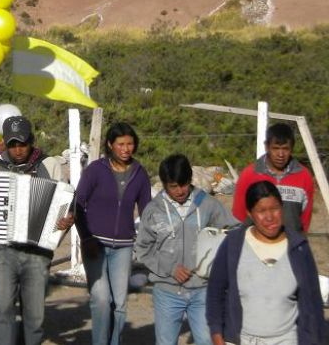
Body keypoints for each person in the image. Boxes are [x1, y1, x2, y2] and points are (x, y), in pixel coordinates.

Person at [0, 116, 67, 345]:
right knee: (2, 310)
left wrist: (65, 221)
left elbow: (64, 204)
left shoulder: (49, 165)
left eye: (22, 143)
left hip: (39, 253)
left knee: (35, 315)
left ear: (31, 140)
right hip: (3, 249)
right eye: (12, 144)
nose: (18, 149)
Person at [134, 154, 238, 345]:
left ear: (190, 180)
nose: (180, 191)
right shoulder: (153, 210)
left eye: (183, 184)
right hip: (167, 292)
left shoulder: (208, 204)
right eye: (173, 186)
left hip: (204, 291)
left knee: (207, 341)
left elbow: (234, 230)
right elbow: (142, 249)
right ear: (165, 184)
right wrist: (170, 269)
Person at [207, 181, 326, 345]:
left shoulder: (299, 248)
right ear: (250, 213)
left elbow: (313, 303)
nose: (270, 217)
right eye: (261, 211)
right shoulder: (234, 244)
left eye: (275, 209)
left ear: (282, 207)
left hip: (286, 340)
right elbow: (215, 291)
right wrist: (217, 334)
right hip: (242, 340)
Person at [74, 121, 151, 345]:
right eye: (121, 144)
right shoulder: (95, 170)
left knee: (119, 303)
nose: (126, 149)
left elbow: (147, 210)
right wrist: (86, 238)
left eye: (130, 144)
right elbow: (77, 204)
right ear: (110, 145)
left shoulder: (140, 173)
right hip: (94, 244)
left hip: (124, 247)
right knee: (100, 299)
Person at [232, 123, 315, 232]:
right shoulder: (249, 175)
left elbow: (305, 219)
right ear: (266, 147)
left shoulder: (304, 176)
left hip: (291, 245)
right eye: (275, 148)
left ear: (292, 148)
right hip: (255, 246)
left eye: (285, 149)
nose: (280, 154)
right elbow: (239, 215)